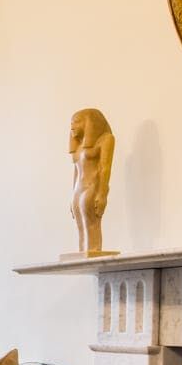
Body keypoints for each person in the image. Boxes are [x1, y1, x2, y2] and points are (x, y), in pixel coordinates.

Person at [68, 109, 115, 256]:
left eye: (77, 122)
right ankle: (83, 253)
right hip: (78, 189)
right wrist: (72, 195)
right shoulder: (79, 146)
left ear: (89, 123)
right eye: (71, 123)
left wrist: (102, 194)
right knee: (80, 225)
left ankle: (93, 251)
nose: (72, 126)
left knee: (91, 223)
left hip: (92, 187)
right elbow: (76, 171)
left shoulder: (105, 139)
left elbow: (105, 168)